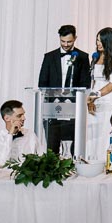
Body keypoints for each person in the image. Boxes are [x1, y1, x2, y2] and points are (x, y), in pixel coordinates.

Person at [37, 24, 92, 152]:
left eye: (69, 41)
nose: (66, 44)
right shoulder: (49, 57)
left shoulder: (83, 57)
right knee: (52, 147)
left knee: (74, 148)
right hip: (52, 109)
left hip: (73, 109)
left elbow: (85, 83)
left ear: (75, 38)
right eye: (63, 41)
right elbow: (42, 82)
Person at [88, 27, 112, 158]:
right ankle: (91, 159)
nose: (98, 43)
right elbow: (92, 80)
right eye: (97, 40)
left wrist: (94, 96)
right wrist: (89, 98)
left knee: (105, 129)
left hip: (108, 97)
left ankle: (105, 160)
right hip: (93, 98)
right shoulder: (96, 56)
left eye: (101, 41)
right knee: (92, 130)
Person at [0, 100, 41, 166]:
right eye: (19, 116)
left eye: (23, 115)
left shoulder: (30, 134)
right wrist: (10, 135)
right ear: (7, 118)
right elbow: (1, 163)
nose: (24, 118)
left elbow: (41, 155)